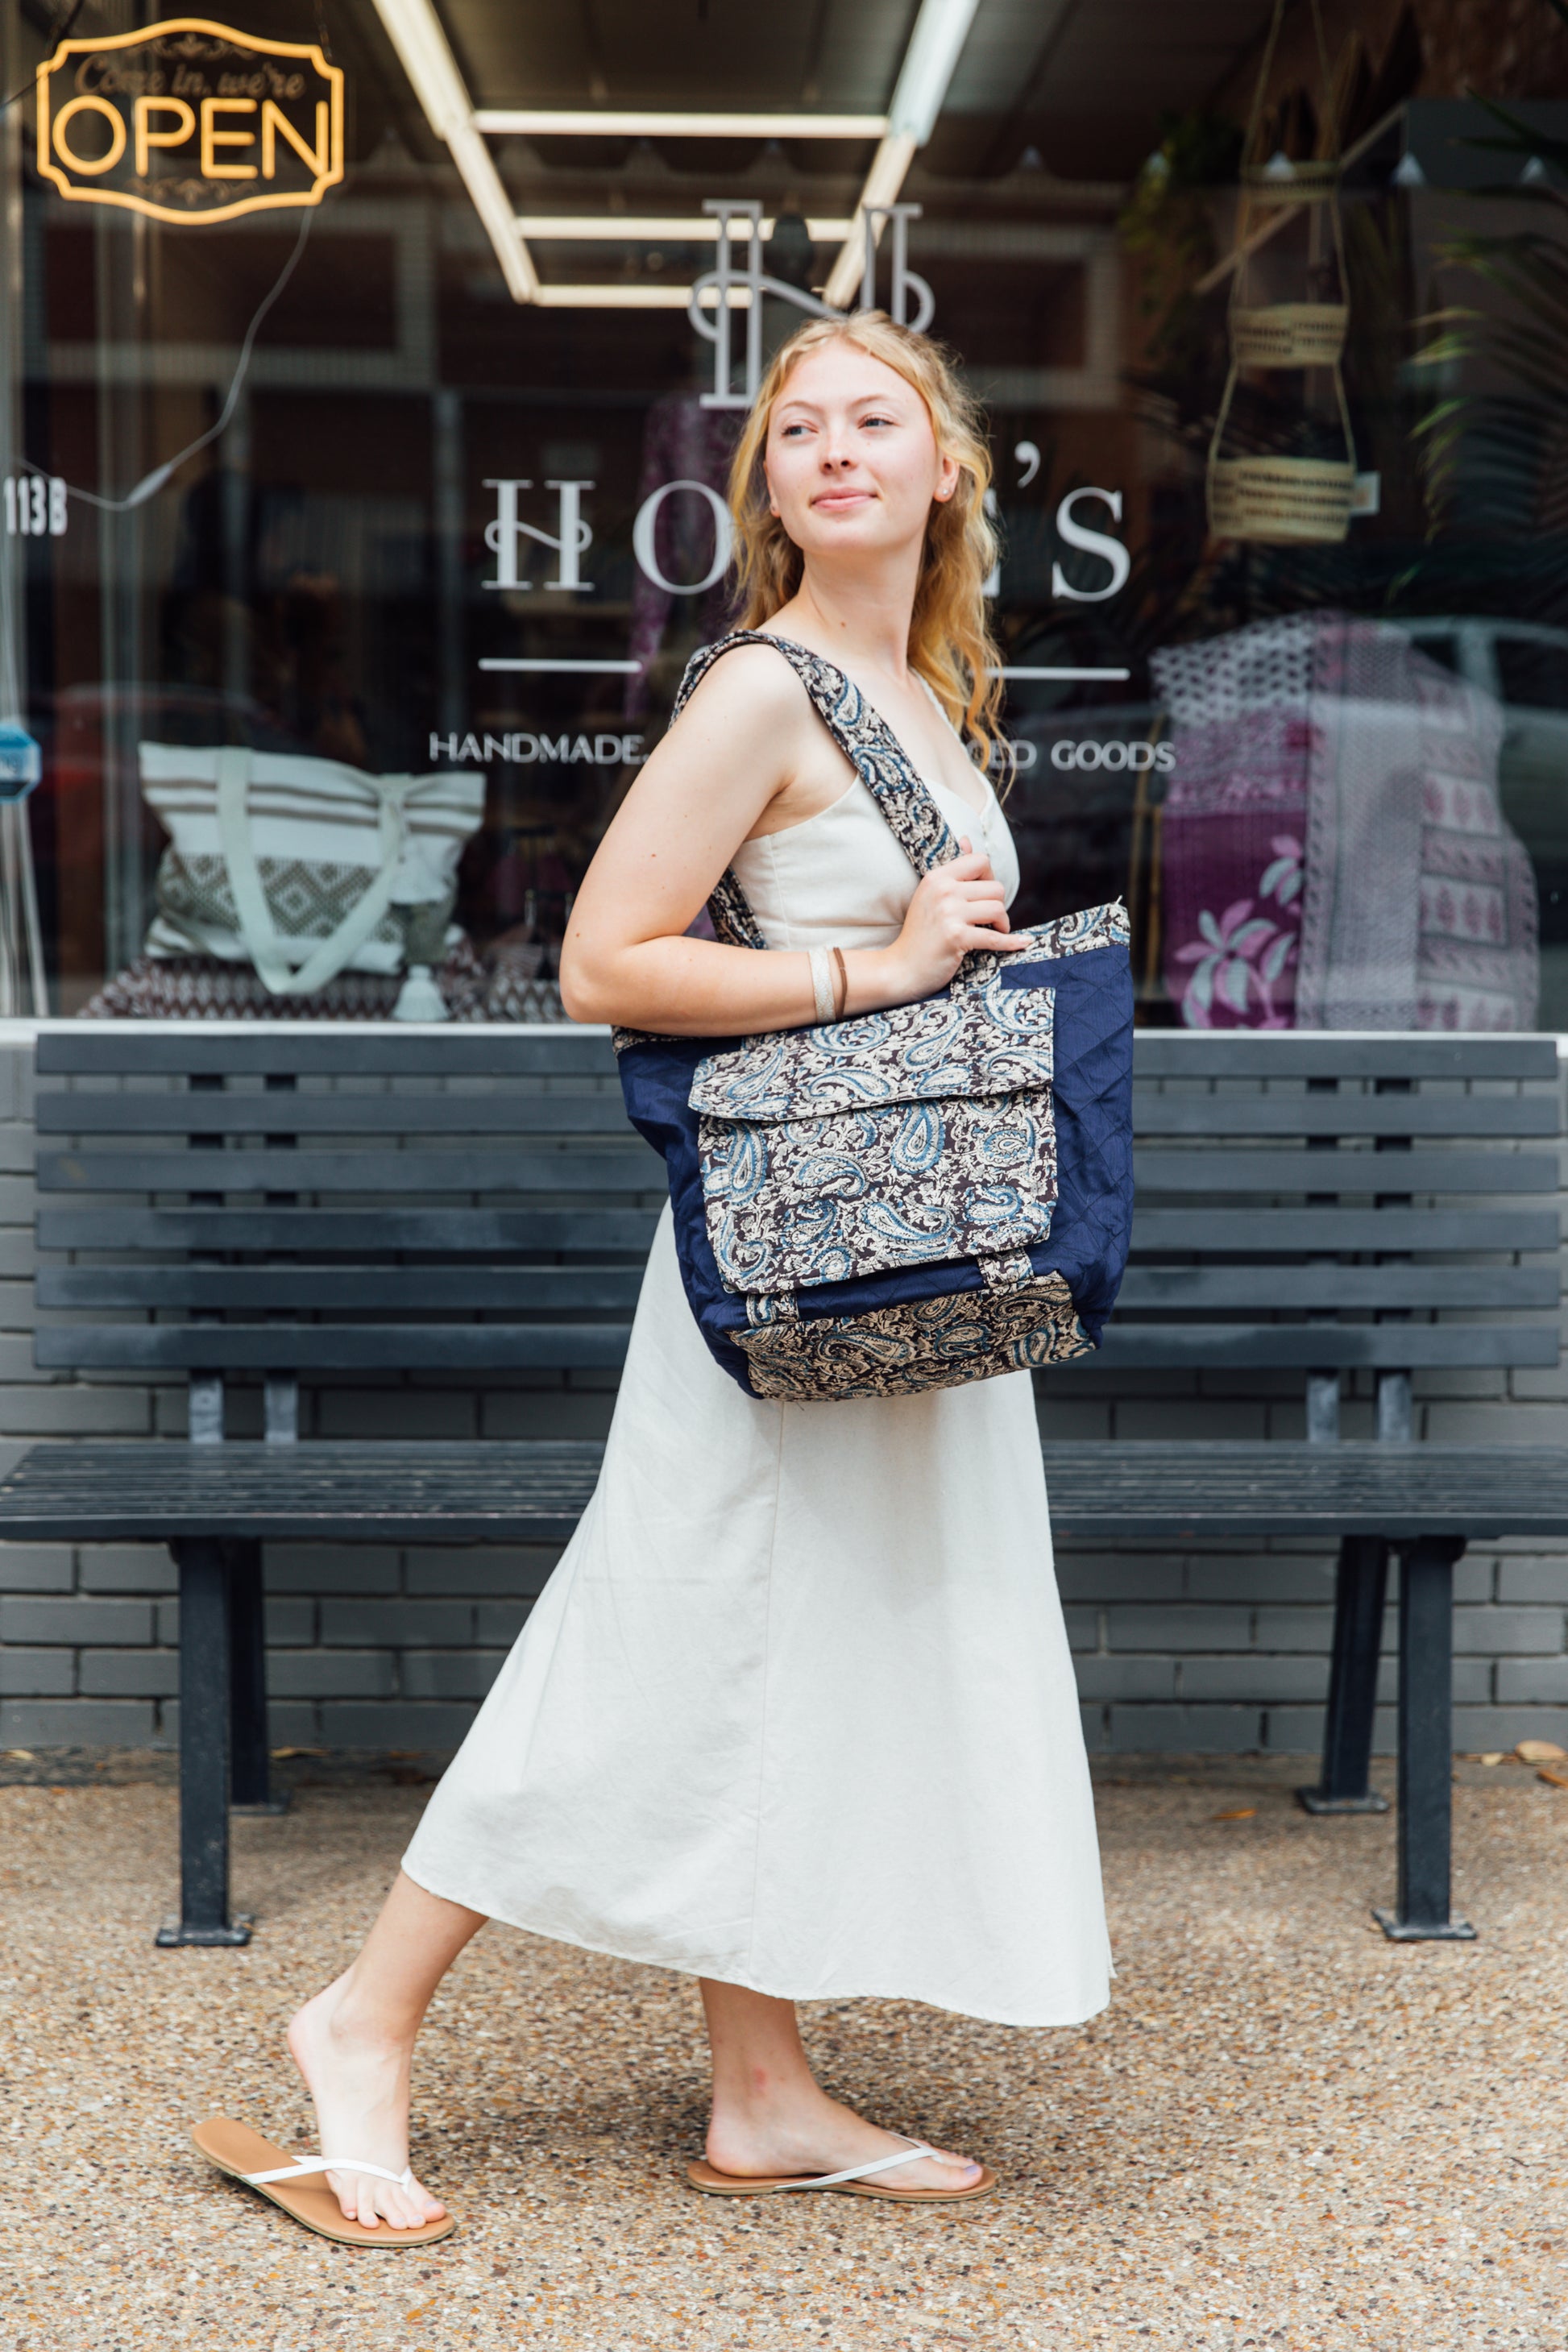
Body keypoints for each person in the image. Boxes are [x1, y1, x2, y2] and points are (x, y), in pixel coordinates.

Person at [206, 311, 1110, 2239]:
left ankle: (762, 2086)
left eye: (878, 421)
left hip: (889, 1253)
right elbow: (606, 960)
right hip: (790, 1268)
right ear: (765, 484)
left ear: (947, 466)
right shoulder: (767, 689)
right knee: (662, 1628)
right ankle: (359, 2019)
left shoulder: (926, 687)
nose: (838, 450)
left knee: (781, 1646)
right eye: (799, 430)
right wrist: (879, 971)